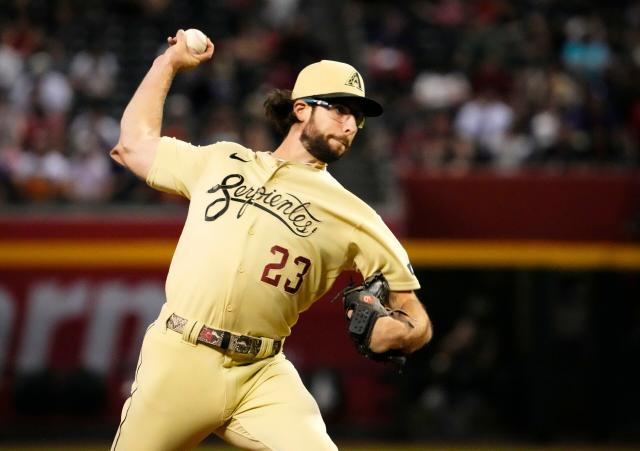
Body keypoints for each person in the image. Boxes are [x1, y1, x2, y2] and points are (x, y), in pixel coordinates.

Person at [109, 29, 432, 451]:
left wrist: (403, 331)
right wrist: (167, 63)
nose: (351, 124)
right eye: (339, 109)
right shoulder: (223, 159)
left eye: (358, 116)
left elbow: (415, 314)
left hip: (261, 374)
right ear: (301, 109)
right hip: (179, 356)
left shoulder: (356, 215)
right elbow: (133, 145)